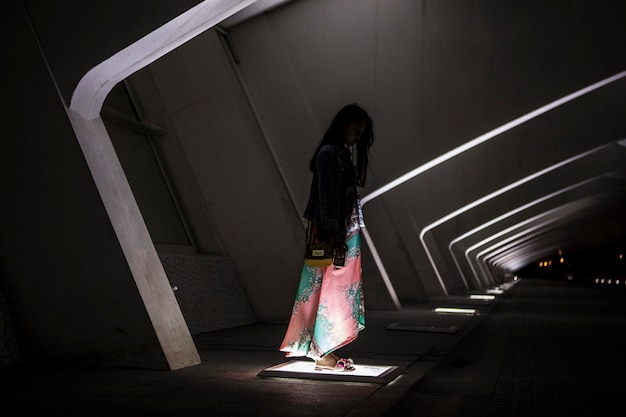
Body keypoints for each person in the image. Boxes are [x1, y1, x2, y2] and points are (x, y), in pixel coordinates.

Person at [279, 103, 375, 371]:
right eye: (355, 128)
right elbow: (326, 197)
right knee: (329, 290)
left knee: (333, 291)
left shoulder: (337, 154)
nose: (357, 135)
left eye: (361, 131)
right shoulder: (329, 154)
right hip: (335, 233)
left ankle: (323, 350)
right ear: (343, 123)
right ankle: (322, 352)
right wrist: (334, 233)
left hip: (341, 231)